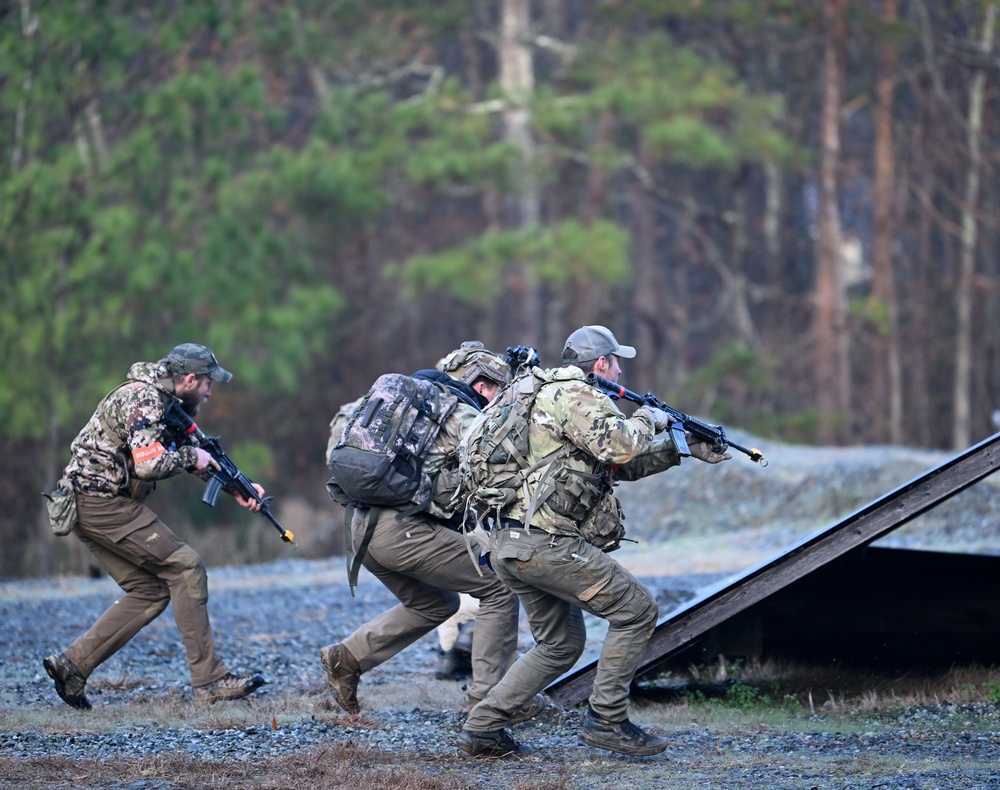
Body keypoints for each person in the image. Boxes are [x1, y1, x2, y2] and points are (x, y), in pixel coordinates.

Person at [458, 325, 731, 758]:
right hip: (545, 542)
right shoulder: (573, 394)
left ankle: (482, 728)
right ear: (601, 363)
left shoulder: (539, 395)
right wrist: (649, 417)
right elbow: (621, 445)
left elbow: (612, 466)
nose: (621, 370)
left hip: (509, 543)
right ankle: (607, 720)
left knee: (560, 644)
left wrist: (680, 447)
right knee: (637, 610)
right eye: (617, 361)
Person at [319, 342, 546, 722]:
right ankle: (493, 701)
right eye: (495, 389)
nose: (495, 399)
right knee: (499, 585)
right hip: (400, 532)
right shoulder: (459, 414)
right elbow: (506, 466)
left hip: (360, 529)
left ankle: (348, 657)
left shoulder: (398, 407)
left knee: (437, 604)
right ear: (480, 384)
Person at [43, 343, 269, 709]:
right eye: (209, 384)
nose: (211, 393)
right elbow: (151, 464)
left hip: (87, 503)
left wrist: (239, 489)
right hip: (100, 502)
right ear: (190, 380)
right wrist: (190, 456)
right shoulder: (146, 399)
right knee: (186, 566)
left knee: (149, 591)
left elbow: (200, 452)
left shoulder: (168, 403)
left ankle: (72, 666)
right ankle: (210, 680)